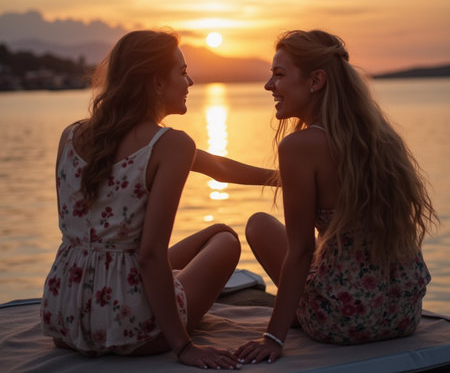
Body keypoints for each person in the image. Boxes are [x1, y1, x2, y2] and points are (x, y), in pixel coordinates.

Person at [40, 30, 274, 369]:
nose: (190, 81)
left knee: (210, 232)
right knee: (225, 239)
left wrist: (281, 179)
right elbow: (149, 255)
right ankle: (158, 307)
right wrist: (183, 347)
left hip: (65, 315)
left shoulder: (72, 135)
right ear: (157, 82)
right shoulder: (171, 144)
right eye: (181, 72)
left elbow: (219, 168)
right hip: (133, 331)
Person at [235, 29, 439, 364]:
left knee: (259, 225)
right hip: (402, 314)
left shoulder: (300, 147)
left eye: (279, 75)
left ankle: (299, 314)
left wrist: (273, 338)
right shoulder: (381, 139)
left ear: (316, 81)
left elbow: (300, 252)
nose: (269, 86)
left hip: (344, 320)